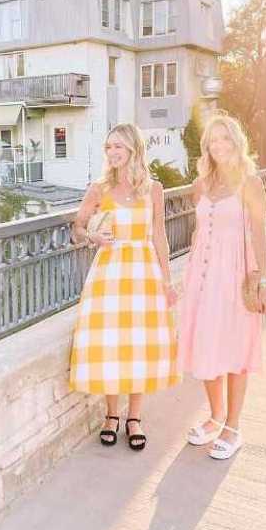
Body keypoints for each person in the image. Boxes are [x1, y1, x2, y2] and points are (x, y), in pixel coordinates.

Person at [70, 123, 179, 451]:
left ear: (134, 150)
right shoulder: (98, 189)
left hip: (143, 273)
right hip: (109, 274)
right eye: (109, 148)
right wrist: (92, 236)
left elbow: (159, 234)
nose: (113, 153)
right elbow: (77, 228)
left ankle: (134, 417)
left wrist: (167, 279)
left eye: (119, 147)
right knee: (112, 345)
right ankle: (111, 415)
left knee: (138, 345)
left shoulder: (153, 189)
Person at [177, 114, 266, 460]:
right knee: (205, 346)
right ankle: (216, 415)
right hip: (201, 279)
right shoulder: (201, 184)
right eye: (212, 141)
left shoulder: (250, 182)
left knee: (235, 351)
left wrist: (264, 282)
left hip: (234, 277)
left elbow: (260, 235)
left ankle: (233, 426)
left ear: (237, 142)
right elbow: (199, 231)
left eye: (225, 139)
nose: (218, 146)